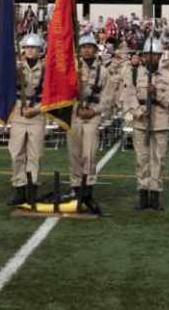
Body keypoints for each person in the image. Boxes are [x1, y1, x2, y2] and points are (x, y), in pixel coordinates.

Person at [123, 38, 169, 211]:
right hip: (141, 121)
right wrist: (139, 112)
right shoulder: (135, 74)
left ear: (160, 56)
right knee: (141, 159)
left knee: (158, 160)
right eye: (148, 55)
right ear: (144, 56)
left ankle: (155, 195)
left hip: (160, 121)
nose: (151, 58)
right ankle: (143, 194)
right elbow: (129, 97)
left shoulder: (167, 76)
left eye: (155, 55)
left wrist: (157, 94)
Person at [70, 34, 110, 213]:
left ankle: (88, 193)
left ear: (95, 49)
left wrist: (95, 111)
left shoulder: (103, 71)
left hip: (92, 116)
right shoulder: (72, 68)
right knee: (75, 155)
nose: (86, 49)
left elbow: (108, 96)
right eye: (83, 46)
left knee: (90, 154)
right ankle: (77, 191)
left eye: (89, 46)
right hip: (74, 116)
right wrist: (76, 109)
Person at [7, 33, 46, 206]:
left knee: (34, 155)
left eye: (33, 48)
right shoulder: (16, 67)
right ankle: (19, 188)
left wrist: (35, 109)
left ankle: (32, 189)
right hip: (18, 114)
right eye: (27, 47)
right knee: (16, 153)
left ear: (40, 50)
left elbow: (49, 95)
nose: (30, 50)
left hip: (37, 115)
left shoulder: (46, 69)